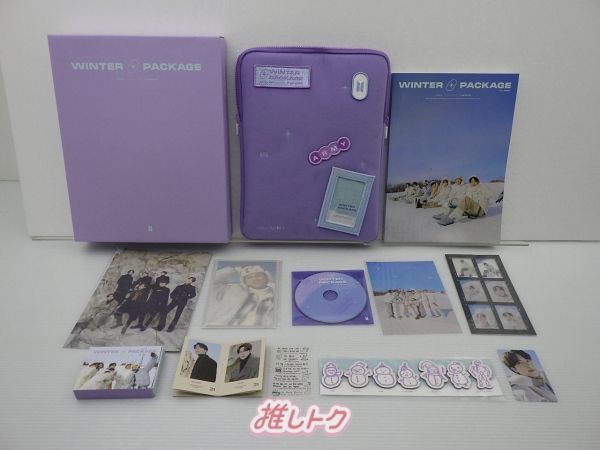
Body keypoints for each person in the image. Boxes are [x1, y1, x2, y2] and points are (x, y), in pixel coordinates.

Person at [206, 265, 275, 327]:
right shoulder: (231, 290)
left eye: (258, 275)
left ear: (266, 277)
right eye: (249, 277)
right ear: (245, 281)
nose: (255, 279)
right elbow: (211, 280)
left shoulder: (276, 296)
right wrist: (235, 270)